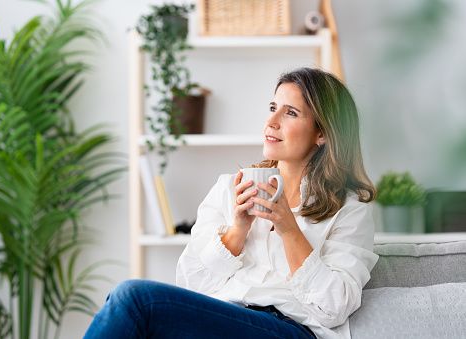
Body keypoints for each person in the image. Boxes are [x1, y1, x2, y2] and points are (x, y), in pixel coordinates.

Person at [83, 67, 379, 339]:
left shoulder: (349, 209)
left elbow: (335, 307)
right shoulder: (230, 187)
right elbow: (192, 283)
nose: (271, 121)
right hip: (223, 320)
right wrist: (237, 230)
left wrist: (290, 231)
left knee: (135, 298)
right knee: (131, 309)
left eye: (290, 113)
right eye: (273, 108)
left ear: (322, 133)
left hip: (290, 330)